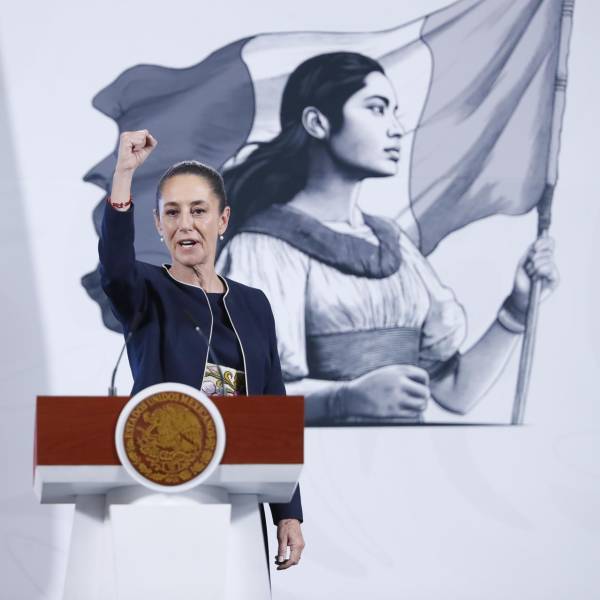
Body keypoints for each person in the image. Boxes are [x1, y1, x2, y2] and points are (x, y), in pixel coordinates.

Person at [217, 52, 559, 425]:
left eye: (394, 112)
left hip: (404, 459)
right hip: (317, 461)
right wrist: (341, 400)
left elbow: (455, 392)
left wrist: (517, 308)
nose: (396, 128)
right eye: (377, 109)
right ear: (317, 122)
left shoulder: (393, 244)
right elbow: (225, 399)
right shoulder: (261, 249)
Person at [98, 129, 304, 570]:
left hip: (240, 496)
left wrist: (288, 511)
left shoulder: (254, 303)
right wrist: (124, 174)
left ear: (223, 220)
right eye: (171, 213)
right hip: (163, 491)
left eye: (198, 211)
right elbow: (114, 267)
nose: (185, 224)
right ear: (158, 225)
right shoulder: (144, 290)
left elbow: (273, 404)